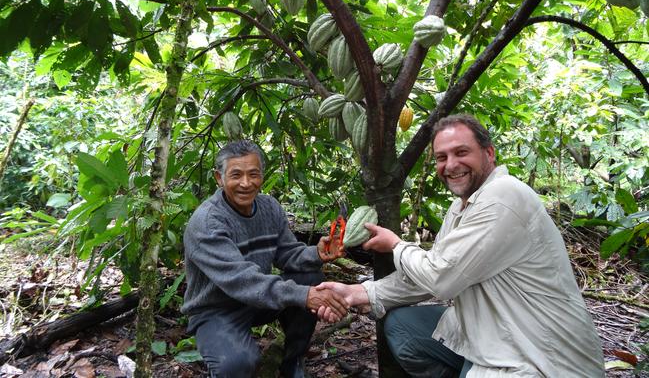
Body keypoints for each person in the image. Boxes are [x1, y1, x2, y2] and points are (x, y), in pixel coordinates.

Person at [317, 114, 605, 377]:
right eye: (442, 157)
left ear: (489, 153)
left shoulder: (504, 196)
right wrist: (356, 293)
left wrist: (396, 245)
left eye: (461, 152)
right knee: (403, 327)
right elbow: (428, 279)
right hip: (490, 330)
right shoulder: (460, 207)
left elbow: (439, 277)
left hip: (538, 354)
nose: (451, 165)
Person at [182, 140, 348, 378]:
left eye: (253, 174)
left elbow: (287, 254)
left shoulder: (269, 207)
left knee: (311, 277)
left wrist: (316, 254)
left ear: (262, 175)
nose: (246, 183)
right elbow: (243, 281)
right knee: (237, 364)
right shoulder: (208, 222)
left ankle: (293, 361)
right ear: (219, 178)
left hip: (258, 300)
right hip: (217, 310)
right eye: (236, 175)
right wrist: (305, 296)